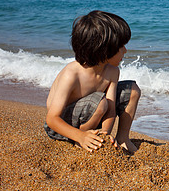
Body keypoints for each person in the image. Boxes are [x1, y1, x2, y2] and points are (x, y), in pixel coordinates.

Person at [44, 10, 141, 153]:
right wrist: (80, 136)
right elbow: (52, 119)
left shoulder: (112, 71)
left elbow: (111, 109)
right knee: (100, 102)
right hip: (64, 127)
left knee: (132, 90)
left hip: (96, 112)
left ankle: (122, 139)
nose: (125, 51)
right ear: (104, 49)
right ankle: (82, 141)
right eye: (121, 47)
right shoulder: (72, 74)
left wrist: (106, 135)